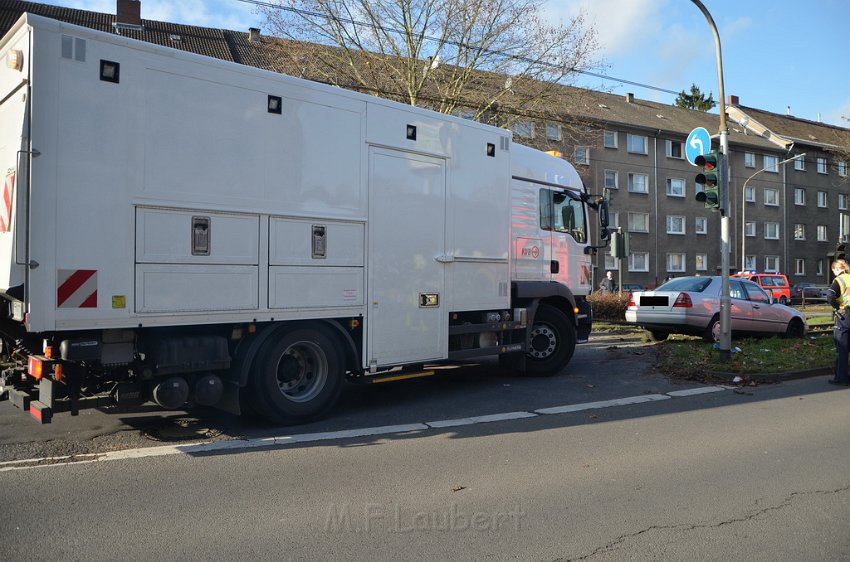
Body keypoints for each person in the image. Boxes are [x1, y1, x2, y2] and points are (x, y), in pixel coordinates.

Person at [828, 259, 850, 386]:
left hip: (845, 316)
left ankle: (841, 378)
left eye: (833, 271)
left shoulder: (839, 280)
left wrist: (836, 307)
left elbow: (830, 296)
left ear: (837, 269)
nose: (833, 273)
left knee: (842, 347)